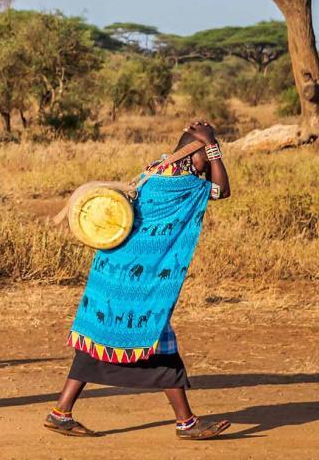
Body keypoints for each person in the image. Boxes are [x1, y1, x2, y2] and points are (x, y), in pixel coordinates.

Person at [45, 121, 231, 441]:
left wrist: (207, 146)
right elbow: (221, 190)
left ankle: (61, 412)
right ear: (194, 153)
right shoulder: (182, 183)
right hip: (140, 282)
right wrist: (213, 147)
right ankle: (186, 423)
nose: (206, 165)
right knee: (154, 337)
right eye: (204, 156)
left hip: (113, 271)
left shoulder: (155, 168)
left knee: (102, 337)